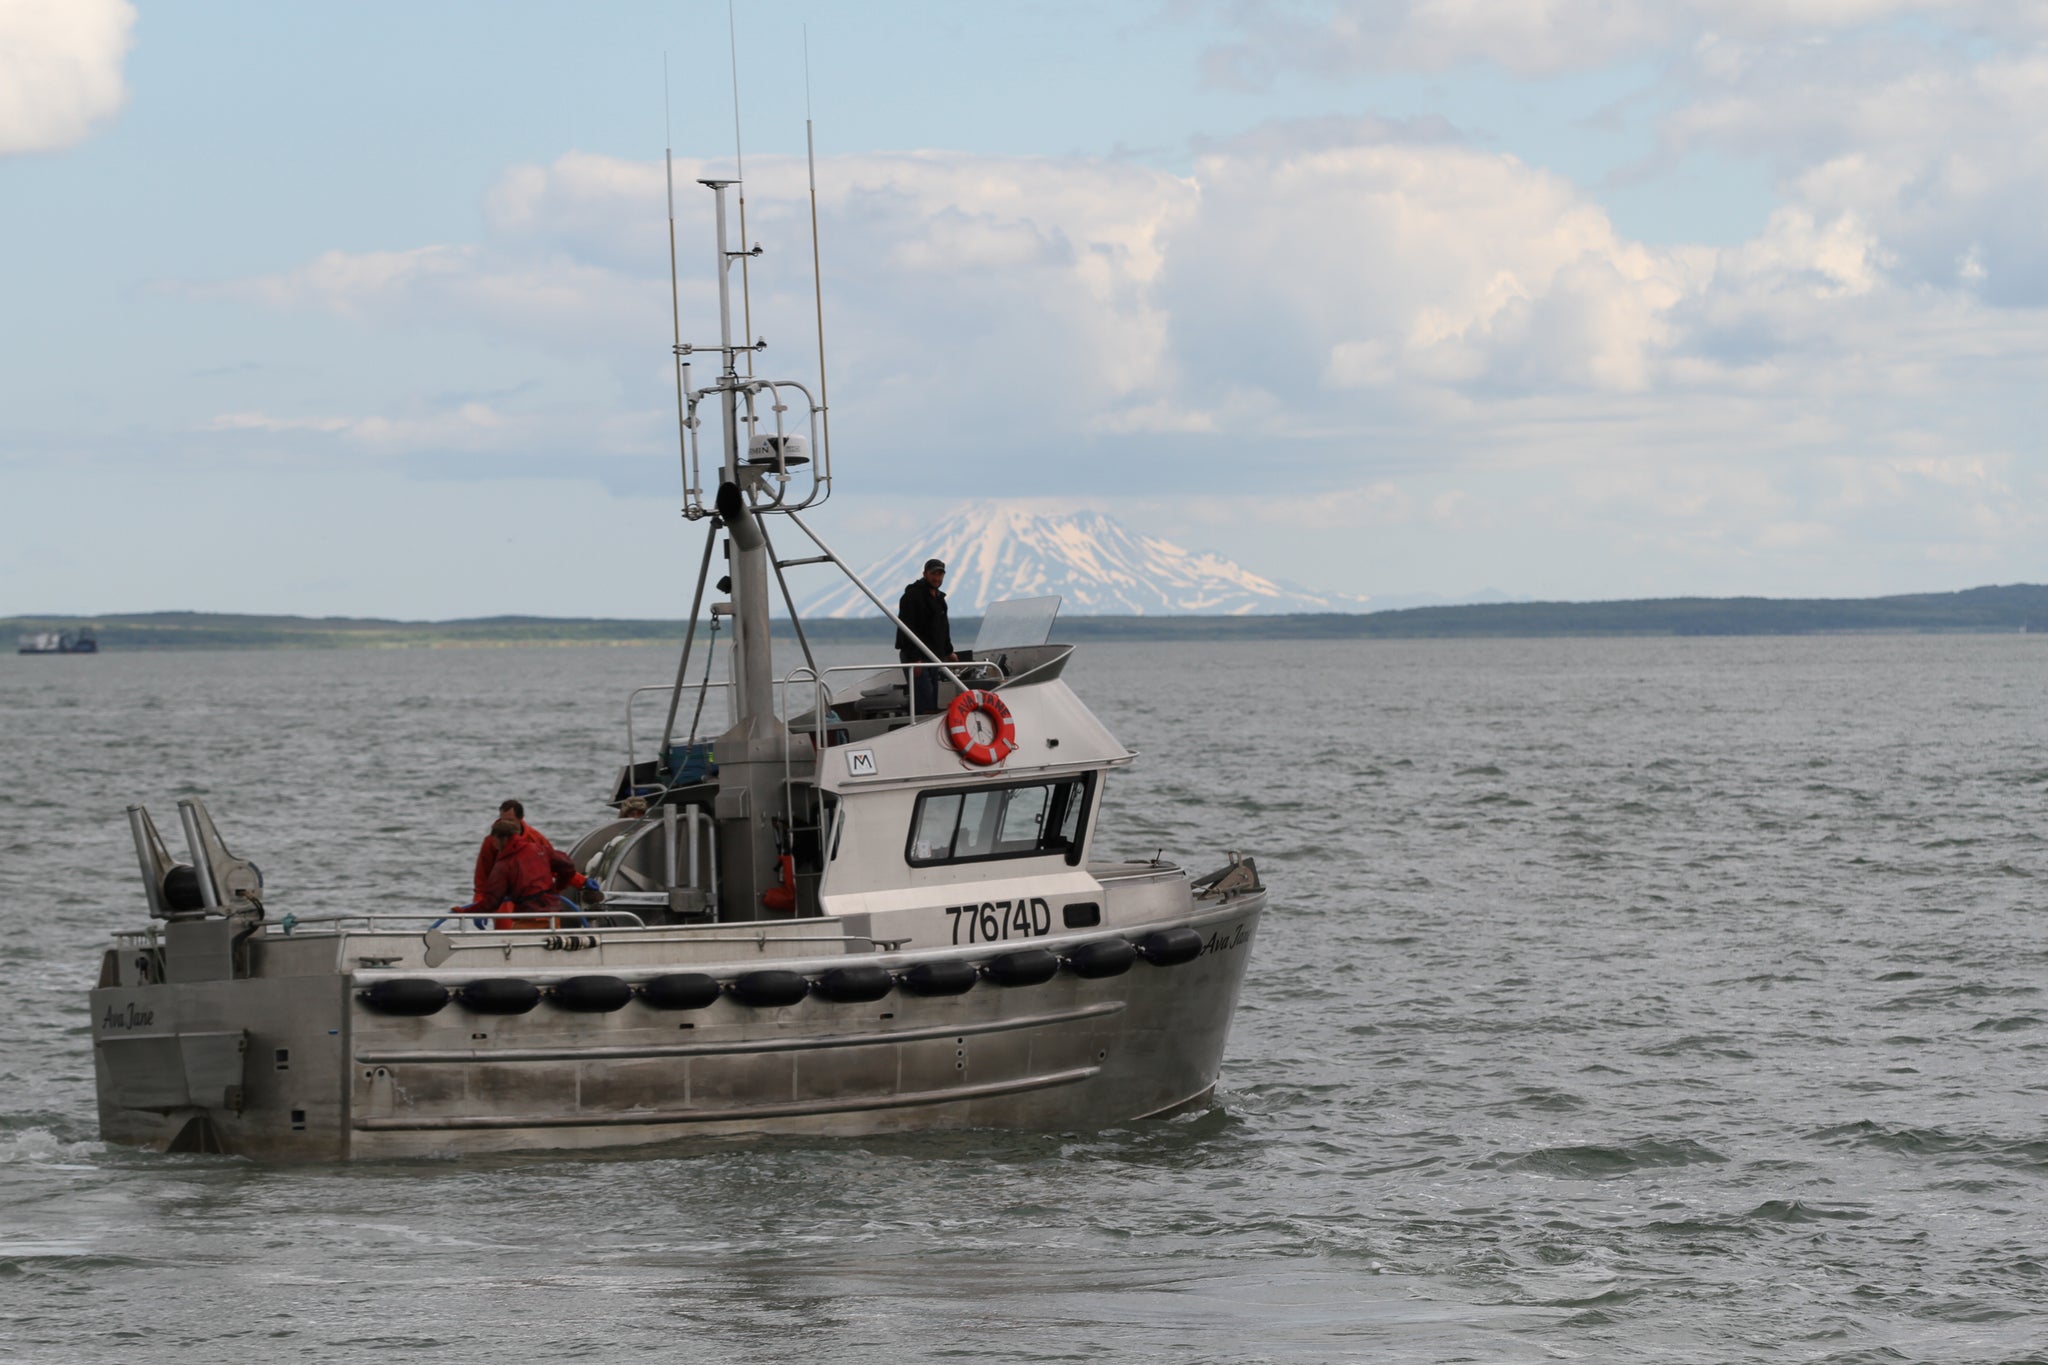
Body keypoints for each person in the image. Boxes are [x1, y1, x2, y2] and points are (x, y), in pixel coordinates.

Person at [454, 819, 597, 929]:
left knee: (517, 954)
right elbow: (567, 865)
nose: (494, 845)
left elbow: (492, 901)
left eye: (494, 840)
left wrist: (464, 912)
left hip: (529, 918)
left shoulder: (504, 865)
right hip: (553, 914)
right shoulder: (538, 849)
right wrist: (558, 887)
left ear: (502, 838)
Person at [896, 557, 957, 716]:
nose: (937, 578)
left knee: (935, 699)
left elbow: (943, 628)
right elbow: (906, 628)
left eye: (940, 574)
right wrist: (914, 659)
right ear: (925, 574)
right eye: (933, 574)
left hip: (934, 657)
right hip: (916, 657)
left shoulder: (940, 599)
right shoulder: (912, 596)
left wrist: (949, 651)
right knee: (925, 701)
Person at [474, 799, 552, 901]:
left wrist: (579, 882)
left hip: (535, 897)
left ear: (520, 819)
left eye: (510, 821)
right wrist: (478, 905)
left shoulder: (536, 839)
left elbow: (556, 866)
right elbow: (482, 877)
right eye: (503, 820)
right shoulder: (491, 842)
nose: (506, 824)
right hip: (504, 899)